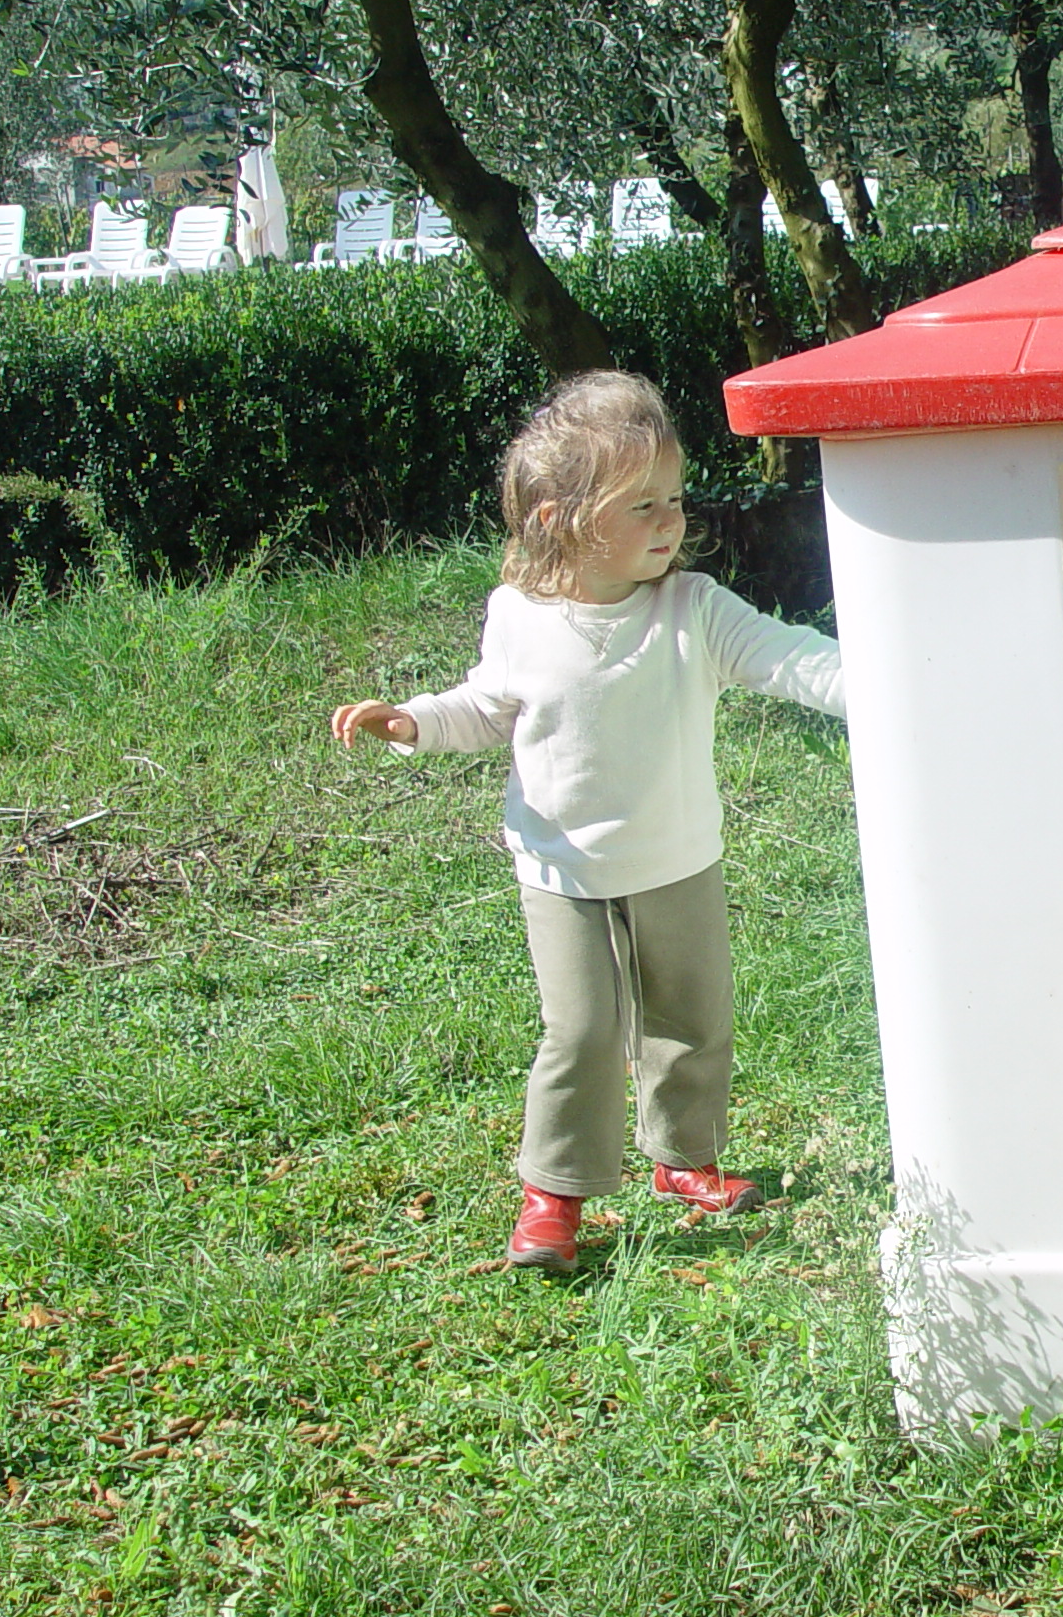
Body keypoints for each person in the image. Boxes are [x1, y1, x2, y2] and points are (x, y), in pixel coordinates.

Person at [330, 371, 844, 1273]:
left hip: (677, 858)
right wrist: (411, 720)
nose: (669, 523)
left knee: (690, 1020)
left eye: (675, 499)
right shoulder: (520, 618)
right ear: (558, 518)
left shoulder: (693, 610)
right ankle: (555, 1194)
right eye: (640, 504)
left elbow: (791, 659)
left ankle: (684, 1160)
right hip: (561, 871)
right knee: (581, 1032)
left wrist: (893, 678)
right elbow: (487, 707)